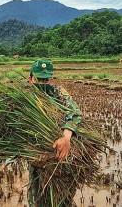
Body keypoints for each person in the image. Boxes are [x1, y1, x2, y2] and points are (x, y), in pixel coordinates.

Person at [27, 59, 82, 207]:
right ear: (30, 78)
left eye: (47, 79)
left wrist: (66, 136)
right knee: (38, 199)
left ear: (51, 79)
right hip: (36, 158)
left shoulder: (58, 92)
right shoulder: (23, 99)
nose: (43, 83)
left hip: (61, 154)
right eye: (39, 79)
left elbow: (74, 112)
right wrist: (30, 154)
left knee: (63, 199)